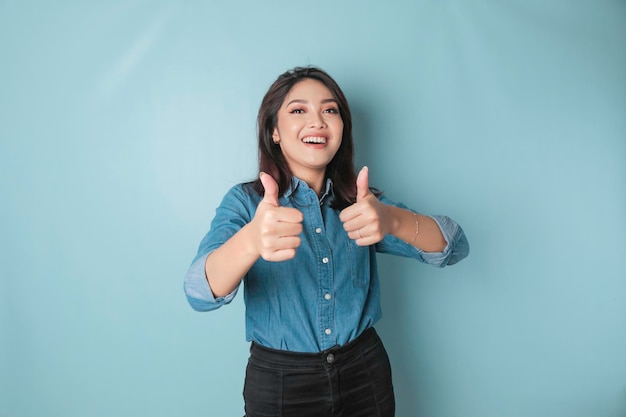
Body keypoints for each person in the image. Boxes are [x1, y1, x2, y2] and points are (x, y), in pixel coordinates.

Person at [184, 66, 469, 417]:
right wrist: (251, 241)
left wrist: (391, 219)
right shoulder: (246, 203)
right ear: (274, 131)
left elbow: (453, 245)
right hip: (282, 381)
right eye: (298, 110)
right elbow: (198, 292)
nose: (317, 121)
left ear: (342, 129)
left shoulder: (360, 203)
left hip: (365, 371)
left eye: (330, 110)